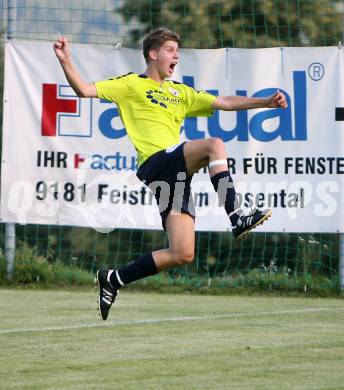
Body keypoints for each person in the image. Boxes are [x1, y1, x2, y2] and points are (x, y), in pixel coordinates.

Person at [54, 27, 287, 320]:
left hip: (173, 174)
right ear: (153, 54)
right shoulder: (130, 85)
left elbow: (225, 102)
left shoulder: (180, 92)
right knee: (214, 145)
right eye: (170, 50)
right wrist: (65, 60)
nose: (176, 55)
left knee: (182, 252)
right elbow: (85, 90)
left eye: (177, 51)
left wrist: (265, 103)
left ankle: (113, 278)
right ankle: (237, 215)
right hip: (156, 162)